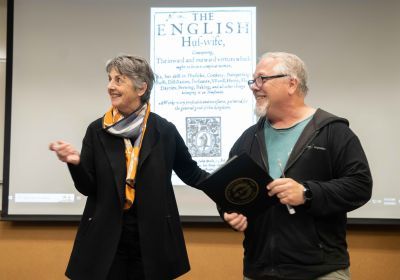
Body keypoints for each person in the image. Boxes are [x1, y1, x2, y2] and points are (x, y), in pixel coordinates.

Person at [49, 55, 208, 280]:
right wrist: (75, 163)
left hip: (153, 239)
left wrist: (229, 189)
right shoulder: (97, 130)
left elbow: (192, 173)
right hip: (106, 239)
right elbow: (87, 187)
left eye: (119, 80)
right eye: (110, 79)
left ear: (141, 87)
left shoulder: (164, 131)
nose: (110, 86)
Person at [223, 52, 372, 280]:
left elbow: (360, 186)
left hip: (320, 271)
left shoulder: (333, 132)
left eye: (262, 79)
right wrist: (230, 213)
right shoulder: (248, 139)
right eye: (253, 80)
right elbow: (229, 190)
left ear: (292, 83)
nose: (254, 87)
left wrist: (306, 192)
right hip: (259, 270)